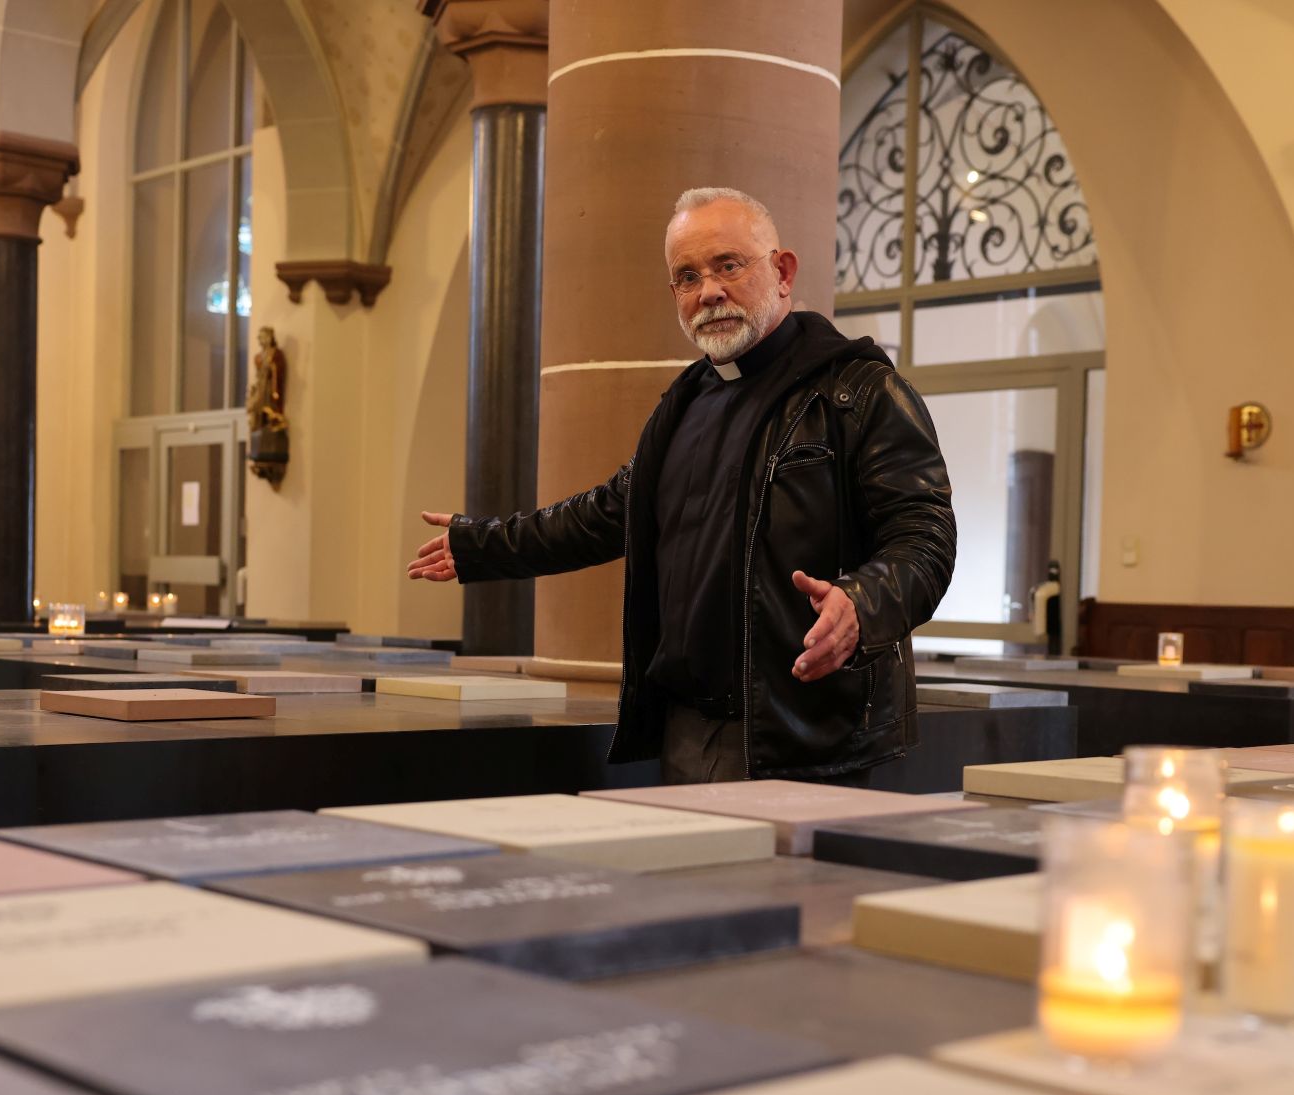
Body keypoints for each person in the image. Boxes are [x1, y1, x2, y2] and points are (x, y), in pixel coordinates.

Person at [409, 187, 956, 784]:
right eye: (687, 276)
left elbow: (924, 540)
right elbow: (607, 514)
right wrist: (482, 545)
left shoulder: (862, 394)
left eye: (729, 265)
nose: (710, 291)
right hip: (689, 729)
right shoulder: (686, 404)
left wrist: (862, 602)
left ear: (782, 271)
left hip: (810, 729)